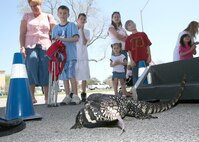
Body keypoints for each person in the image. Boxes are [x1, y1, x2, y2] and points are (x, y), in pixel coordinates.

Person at [19, 0, 56, 104]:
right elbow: (22, 33)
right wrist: (21, 47)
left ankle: (47, 97)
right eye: (32, 6)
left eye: (36, 5)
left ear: (41, 4)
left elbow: (55, 32)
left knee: (45, 66)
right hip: (30, 45)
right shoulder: (26, 16)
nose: (34, 8)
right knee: (31, 62)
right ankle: (32, 96)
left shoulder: (49, 17)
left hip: (46, 46)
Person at [52, 5, 80, 105]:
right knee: (64, 76)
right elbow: (54, 42)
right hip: (60, 57)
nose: (63, 15)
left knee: (71, 75)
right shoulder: (55, 28)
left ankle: (75, 95)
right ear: (58, 14)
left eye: (65, 13)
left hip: (71, 55)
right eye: (60, 13)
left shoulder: (72, 25)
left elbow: (76, 38)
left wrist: (63, 39)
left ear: (68, 14)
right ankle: (67, 95)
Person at [125, 20, 152, 85]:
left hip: (144, 58)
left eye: (132, 23)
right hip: (135, 60)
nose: (132, 25)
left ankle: (148, 89)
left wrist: (149, 56)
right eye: (129, 25)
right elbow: (129, 51)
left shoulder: (143, 34)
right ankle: (137, 91)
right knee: (135, 75)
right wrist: (131, 60)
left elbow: (147, 46)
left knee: (146, 74)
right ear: (128, 29)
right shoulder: (128, 38)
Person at [75, 13, 90, 102]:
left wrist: (82, 31)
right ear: (78, 20)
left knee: (84, 75)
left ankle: (83, 93)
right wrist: (78, 29)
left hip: (84, 55)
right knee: (75, 76)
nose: (82, 20)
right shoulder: (73, 30)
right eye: (81, 19)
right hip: (75, 56)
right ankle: (75, 93)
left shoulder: (87, 31)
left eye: (84, 19)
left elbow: (84, 42)